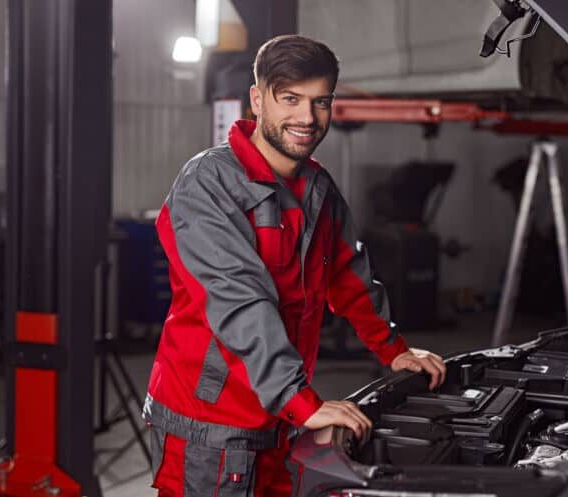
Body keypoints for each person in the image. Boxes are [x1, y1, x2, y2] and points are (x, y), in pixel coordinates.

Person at [143, 34, 447, 497]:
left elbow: (349, 275)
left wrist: (393, 349)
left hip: (279, 418)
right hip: (209, 428)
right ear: (257, 99)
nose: (307, 118)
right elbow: (240, 301)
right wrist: (301, 402)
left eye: (320, 101)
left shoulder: (317, 188)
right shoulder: (208, 185)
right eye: (290, 99)